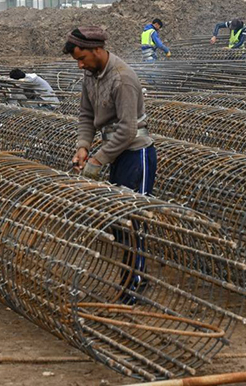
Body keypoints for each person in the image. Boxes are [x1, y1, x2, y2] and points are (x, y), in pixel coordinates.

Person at [64, 25, 156, 303]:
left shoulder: (122, 78)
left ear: (97, 50)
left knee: (133, 220)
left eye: (82, 59)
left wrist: (97, 160)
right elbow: (86, 115)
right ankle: (135, 276)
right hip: (116, 152)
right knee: (119, 220)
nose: (80, 65)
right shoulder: (90, 75)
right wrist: (83, 146)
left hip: (136, 154)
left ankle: (133, 286)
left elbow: (127, 130)